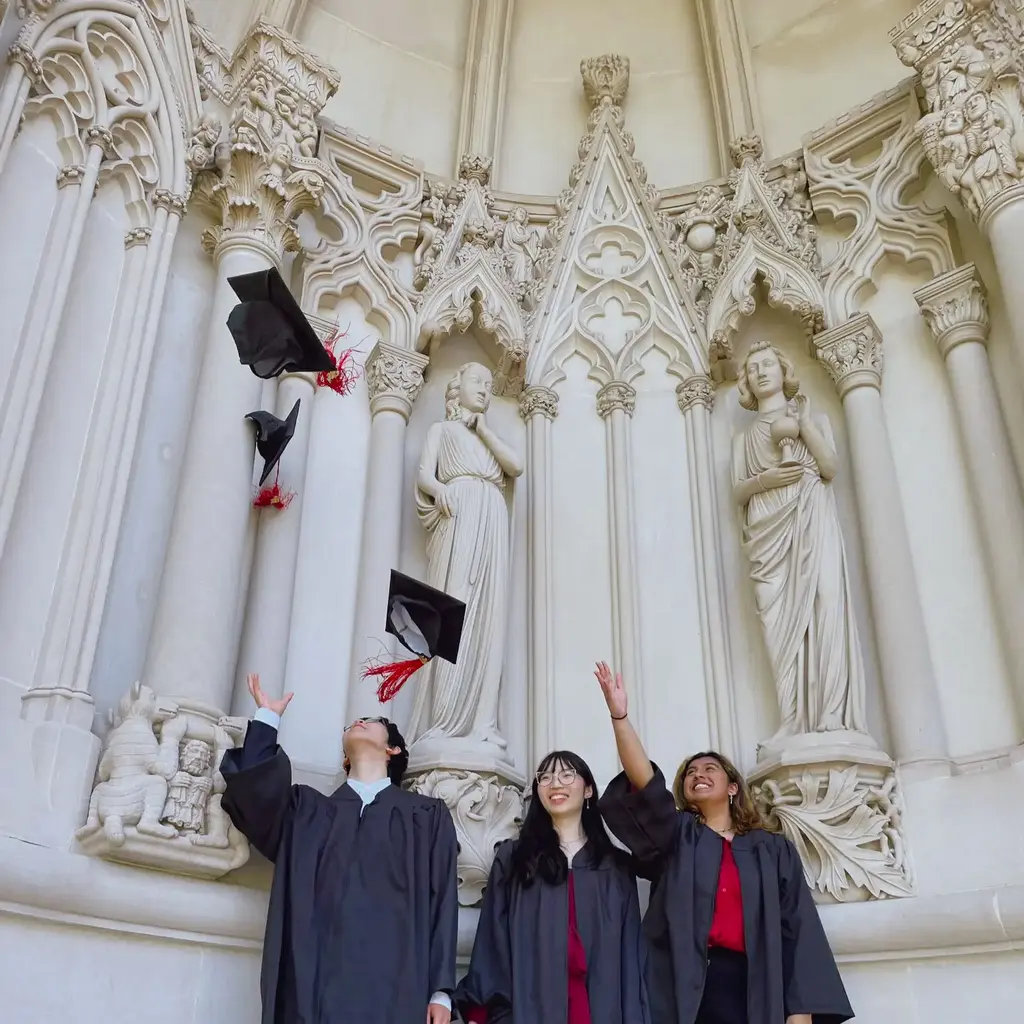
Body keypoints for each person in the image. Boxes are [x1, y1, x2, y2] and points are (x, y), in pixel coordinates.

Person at [594, 662, 853, 1024]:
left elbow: (798, 929)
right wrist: (620, 717)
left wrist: (800, 1012)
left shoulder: (772, 850)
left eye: (709, 769)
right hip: (685, 987)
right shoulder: (680, 837)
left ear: (733, 788)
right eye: (690, 773)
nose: (698, 775)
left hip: (753, 986)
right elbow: (646, 783)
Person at [221, 673, 459, 1024]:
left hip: (397, 989)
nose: (359, 722)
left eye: (373, 722)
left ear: (393, 749)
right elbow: (254, 799)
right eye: (353, 723)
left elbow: (443, 903)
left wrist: (441, 992)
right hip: (312, 989)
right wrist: (267, 720)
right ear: (344, 759)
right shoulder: (306, 812)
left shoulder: (425, 816)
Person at [456, 750, 650, 1024]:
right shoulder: (515, 859)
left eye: (567, 775)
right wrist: (482, 1010)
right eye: (545, 777)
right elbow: (492, 939)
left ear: (588, 790)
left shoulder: (616, 867)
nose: (555, 783)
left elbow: (631, 955)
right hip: (531, 1008)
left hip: (599, 1008)